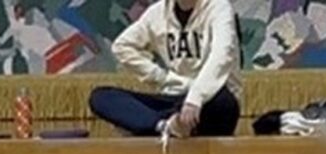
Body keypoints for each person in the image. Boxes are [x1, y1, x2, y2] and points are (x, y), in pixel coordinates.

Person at [89, 0, 242, 138]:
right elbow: (122, 46)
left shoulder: (219, 7)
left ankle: (148, 126)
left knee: (224, 101)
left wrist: (195, 98)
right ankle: (164, 126)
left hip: (209, 100)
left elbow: (222, 56)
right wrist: (161, 78)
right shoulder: (158, 12)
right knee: (101, 96)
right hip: (175, 97)